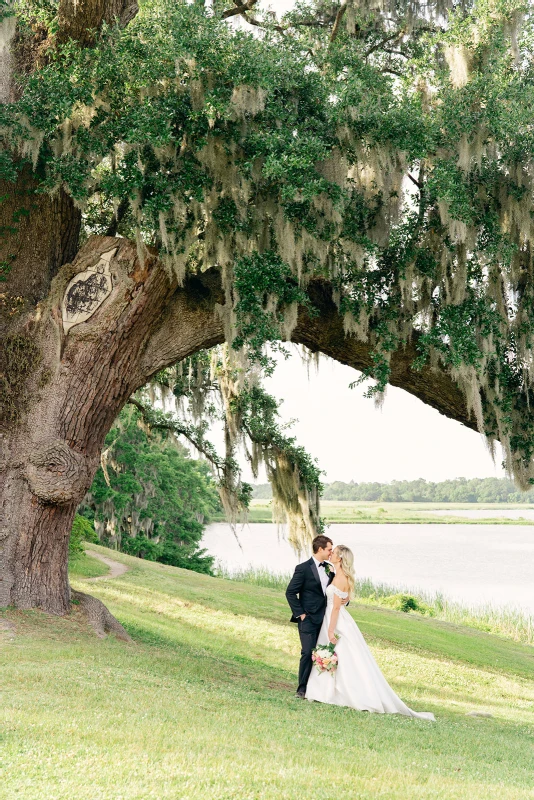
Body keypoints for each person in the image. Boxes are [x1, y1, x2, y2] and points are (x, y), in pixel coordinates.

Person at [305, 544, 435, 720]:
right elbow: (344, 597)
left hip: (334, 620)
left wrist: (330, 630)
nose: (331, 554)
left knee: (341, 655)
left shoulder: (340, 578)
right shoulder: (338, 575)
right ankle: (328, 690)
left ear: (340, 558)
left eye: (334, 553)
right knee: (342, 656)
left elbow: (335, 608)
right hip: (336, 617)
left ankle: (342, 693)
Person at [285, 535, 337, 699]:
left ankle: (320, 689)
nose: (331, 552)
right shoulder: (303, 568)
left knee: (325, 654)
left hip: (326, 619)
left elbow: (334, 590)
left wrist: (345, 600)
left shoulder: (330, 568)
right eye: (329, 549)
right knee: (307, 652)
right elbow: (290, 592)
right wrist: (300, 614)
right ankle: (301, 689)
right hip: (308, 620)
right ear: (320, 549)